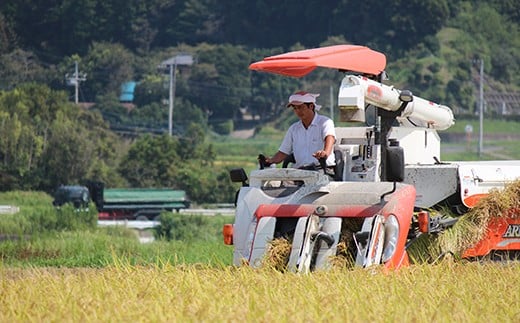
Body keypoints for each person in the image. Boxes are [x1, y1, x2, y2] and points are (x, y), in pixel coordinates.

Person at [265, 91, 336, 169]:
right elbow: (283, 152)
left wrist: (325, 153)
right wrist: (270, 161)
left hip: (322, 169)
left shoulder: (325, 122)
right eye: (295, 108)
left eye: (301, 107)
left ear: (311, 106)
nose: (298, 111)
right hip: (300, 171)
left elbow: (329, 138)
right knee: (286, 181)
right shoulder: (293, 129)